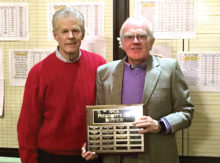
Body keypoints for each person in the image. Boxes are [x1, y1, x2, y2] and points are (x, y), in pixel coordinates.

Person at [82, 16, 194, 163]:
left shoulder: (170, 68)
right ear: (121, 43)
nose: (135, 41)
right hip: (116, 157)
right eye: (128, 37)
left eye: (141, 36)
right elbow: (100, 118)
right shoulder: (104, 72)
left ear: (151, 41)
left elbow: (186, 111)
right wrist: (94, 144)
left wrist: (160, 125)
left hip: (157, 156)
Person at [17, 7, 106, 163]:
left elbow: (105, 110)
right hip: (51, 157)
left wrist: (100, 145)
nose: (70, 36)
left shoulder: (99, 64)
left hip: (90, 155)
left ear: (83, 33)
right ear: (55, 35)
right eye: (64, 31)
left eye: (75, 31)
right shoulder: (38, 72)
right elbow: (27, 125)